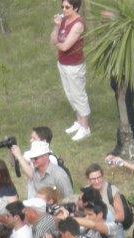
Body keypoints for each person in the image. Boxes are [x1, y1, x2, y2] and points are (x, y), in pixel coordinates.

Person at [53, 0, 91, 141]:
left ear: (75, 8)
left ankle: (85, 128)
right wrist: (57, 26)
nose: (63, 9)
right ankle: (79, 122)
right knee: (70, 94)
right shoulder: (63, 20)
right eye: (62, 6)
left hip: (74, 65)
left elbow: (65, 46)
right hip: (62, 63)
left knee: (79, 95)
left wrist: (58, 43)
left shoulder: (78, 24)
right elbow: (53, 39)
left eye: (67, 7)